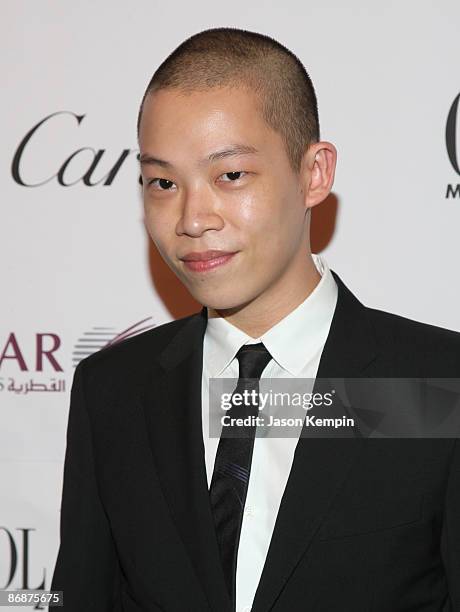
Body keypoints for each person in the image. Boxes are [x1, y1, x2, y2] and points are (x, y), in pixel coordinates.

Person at [49, 27, 460, 612]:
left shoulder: (437, 386)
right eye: (163, 183)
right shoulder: (113, 392)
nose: (193, 218)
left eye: (230, 176)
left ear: (314, 174)